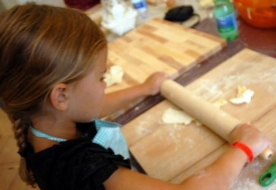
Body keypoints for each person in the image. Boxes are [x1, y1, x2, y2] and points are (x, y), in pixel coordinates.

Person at [0, 3, 272, 190]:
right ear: (60, 96)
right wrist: (244, 148)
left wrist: (144, 88)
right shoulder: (80, 166)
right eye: (101, 78)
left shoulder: (41, 118)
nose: (105, 85)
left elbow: (91, 106)